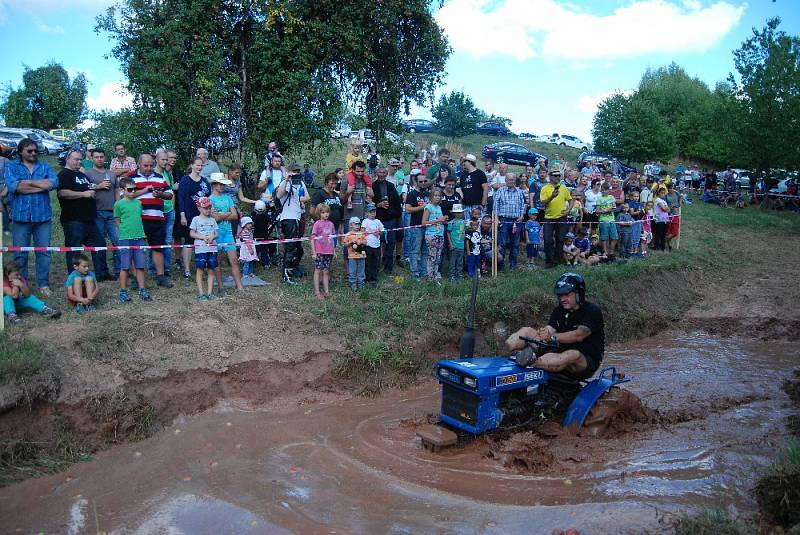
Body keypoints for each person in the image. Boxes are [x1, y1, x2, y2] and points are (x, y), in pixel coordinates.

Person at [506, 273, 605, 380]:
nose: (562, 299)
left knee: (573, 354)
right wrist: (544, 332)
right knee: (526, 331)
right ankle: (505, 350)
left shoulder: (592, 311)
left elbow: (579, 335)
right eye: (560, 295)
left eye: (567, 295)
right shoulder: (559, 310)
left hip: (585, 360)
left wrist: (552, 337)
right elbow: (551, 327)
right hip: (559, 350)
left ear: (578, 294)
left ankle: (531, 361)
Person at [4, 138, 58, 296]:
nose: (33, 153)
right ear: (21, 151)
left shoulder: (45, 166)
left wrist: (26, 183)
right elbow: (14, 187)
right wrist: (40, 185)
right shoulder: (12, 166)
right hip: (20, 217)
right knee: (20, 253)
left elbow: (53, 183)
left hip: (42, 217)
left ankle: (43, 284)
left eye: (35, 150)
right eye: (29, 151)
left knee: (44, 251)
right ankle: (21, 284)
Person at [57, 149, 105, 275]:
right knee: (74, 249)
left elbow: (89, 189)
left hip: (90, 219)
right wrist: (83, 194)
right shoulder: (64, 174)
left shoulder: (82, 175)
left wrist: (92, 191)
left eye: (80, 159)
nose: (79, 162)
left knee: (99, 245)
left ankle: (102, 273)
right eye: (76, 159)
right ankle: (74, 275)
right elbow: (62, 193)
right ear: (67, 159)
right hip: (73, 220)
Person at [131, 153, 174, 288]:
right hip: (137, 219)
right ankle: (136, 278)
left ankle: (160, 276)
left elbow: (170, 194)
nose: (149, 168)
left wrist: (161, 194)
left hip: (156, 217)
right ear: (138, 164)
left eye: (151, 165)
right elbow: (125, 195)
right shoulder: (131, 178)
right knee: (137, 248)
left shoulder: (160, 178)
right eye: (145, 165)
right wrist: (144, 190)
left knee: (157, 247)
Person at [114, 177, 151, 302]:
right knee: (125, 266)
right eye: (130, 189)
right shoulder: (118, 204)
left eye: (134, 189)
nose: (133, 191)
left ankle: (142, 289)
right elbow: (117, 220)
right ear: (122, 190)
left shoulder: (138, 203)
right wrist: (124, 231)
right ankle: (123, 291)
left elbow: (139, 217)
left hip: (139, 237)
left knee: (140, 265)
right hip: (125, 238)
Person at [86, 148, 120, 281]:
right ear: (92, 158)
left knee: (118, 241)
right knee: (99, 244)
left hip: (112, 213)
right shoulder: (88, 174)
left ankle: (120, 270)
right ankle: (101, 273)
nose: (99, 159)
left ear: (105, 158)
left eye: (101, 157)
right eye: (96, 157)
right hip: (97, 213)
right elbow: (85, 189)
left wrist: (118, 206)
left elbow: (117, 189)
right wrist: (98, 186)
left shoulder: (111, 174)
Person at [208, 172, 245, 292]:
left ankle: (239, 286)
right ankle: (220, 287)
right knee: (217, 261)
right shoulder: (210, 200)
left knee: (234, 260)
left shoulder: (228, 198)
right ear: (214, 185)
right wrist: (228, 213)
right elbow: (215, 218)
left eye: (223, 184)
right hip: (216, 233)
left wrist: (222, 215)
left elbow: (235, 216)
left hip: (228, 232)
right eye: (220, 184)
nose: (223, 186)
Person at [275, 163, 310, 284]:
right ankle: (285, 276)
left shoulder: (299, 182)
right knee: (290, 248)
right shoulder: (285, 183)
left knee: (298, 248)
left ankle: (292, 269)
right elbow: (279, 195)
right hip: (288, 218)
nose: (296, 173)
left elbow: (307, 197)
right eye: (294, 171)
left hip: (298, 217)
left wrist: (298, 199)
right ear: (289, 171)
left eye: (298, 171)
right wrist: (286, 179)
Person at [178, 157, 211, 279]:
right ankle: (187, 269)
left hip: (203, 215)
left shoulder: (205, 181)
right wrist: (182, 215)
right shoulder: (185, 180)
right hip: (189, 214)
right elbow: (181, 198)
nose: (199, 167)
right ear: (192, 165)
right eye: (197, 165)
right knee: (188, 241)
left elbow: (209, 198)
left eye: (201, 165)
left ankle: (205, 266)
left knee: (204, 240)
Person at [3, 260, 61, 324]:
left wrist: (21, 285)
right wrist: (15, 285)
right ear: (7, 273)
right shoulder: (4, 281)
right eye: (16, 274)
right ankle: (12, 316)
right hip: (4, 306)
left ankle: (46, 309)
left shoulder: (19, 279)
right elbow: (14, 296)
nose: (19, 276)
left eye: (20, 274)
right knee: (7, 298)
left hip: (16, 304)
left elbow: (28, 295)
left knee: (30, 298)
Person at [151, 149, 177, 277]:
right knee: (155, 240)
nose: (165, 161)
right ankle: (153, 269)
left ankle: (165, 269)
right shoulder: (152, 174)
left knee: (167, 241)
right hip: (156, 212)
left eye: (166, 159)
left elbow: (171, 192)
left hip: (169, 211)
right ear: (156, 159)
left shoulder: (168, 174)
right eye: (163, 159)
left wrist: (172, 208)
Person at [492, 172, 526, 270]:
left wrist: (522, 216)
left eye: (512, 180)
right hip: (503, 220)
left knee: (515, 244)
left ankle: (513, 265)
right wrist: (497, 219)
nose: (511, 181)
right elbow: (496, 206)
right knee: (502, 243)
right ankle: (501, 265)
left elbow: (522, 205)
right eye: (509, 179)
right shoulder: (500, 191)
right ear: (505, 180)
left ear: (515, 180)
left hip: (516, 221)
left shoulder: (520, 192)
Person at [371, 165, 402, 274]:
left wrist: (395, 215)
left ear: (386, 173)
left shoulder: (390, 186)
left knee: (390, 243)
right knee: (376, 243)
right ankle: (375, 267)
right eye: (380, 172)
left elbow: (397, 202)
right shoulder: (372, 186)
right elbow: (369, 202)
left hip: (390, 219)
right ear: (376, 173)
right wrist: (377, 205)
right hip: (377, 219)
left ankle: (388, 267)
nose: (382, 175)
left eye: (384, 172)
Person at [540, 166, 572, 268]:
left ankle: (557, 261)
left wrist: (568, 211)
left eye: (559, 175)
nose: (558, 177)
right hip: (549, 217)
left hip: (561, 217)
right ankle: (550, 261)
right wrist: (552, 196)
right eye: (555, 175)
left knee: (560, 239)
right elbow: (543, 202)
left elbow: (571, 200)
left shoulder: (563, 187)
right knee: (548, 239)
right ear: (550, 177)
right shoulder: (545, 188)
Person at [189, 196, 218, 300]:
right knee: (200, 270)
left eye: (209, 208)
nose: (208, 210)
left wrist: (212, 237)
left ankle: (210, 293)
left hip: (212, 249)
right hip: (200, 249)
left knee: (211, 270)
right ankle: (201, 294)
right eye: (205, 208)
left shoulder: (213, 220)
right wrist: (202, 237)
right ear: (199, 208)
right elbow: (191, 233)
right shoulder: (195, 219)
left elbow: (216, 233)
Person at [405, 170, 432, 280]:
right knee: (415, 250)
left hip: (428, 226)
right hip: (416, 226)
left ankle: (423, 272)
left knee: (426, 251)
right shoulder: (412, 194)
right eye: (420, 181)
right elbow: (407, 209)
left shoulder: (428, 194)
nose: (423, 183)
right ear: (415, 182)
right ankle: (414, 273)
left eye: (425, 181)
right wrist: (422, 207)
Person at [311, 203, 336, 300]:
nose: (326, 214)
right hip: (319, 251)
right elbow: (312, 238)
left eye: (327, 212)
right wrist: (314, 252)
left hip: (328, 251)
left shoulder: (331, 224)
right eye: (323, 212)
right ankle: (317, 292)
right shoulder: (317, 224)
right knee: (318, 270)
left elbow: (333, 238)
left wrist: (334, 251)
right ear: (319, 213)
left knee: (326, 271)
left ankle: (326, 291)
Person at [422, 188, 446, 284]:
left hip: (440, 234)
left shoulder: (439, 208)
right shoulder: (429, 207)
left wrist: (443, 220)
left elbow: (440, 220)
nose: (437, 197)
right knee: (432, 257)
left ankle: (435, 276)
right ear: (431, 197)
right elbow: (424, 222)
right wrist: (439, 220)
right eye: (435, 195)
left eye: (439, 195)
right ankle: (430, 277)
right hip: (432, 235)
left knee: (438, 257)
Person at [362, 203, 385, 287]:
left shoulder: (378, 221)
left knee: (376, 262)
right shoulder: (365, 221)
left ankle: (374, 278)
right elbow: (362, 232)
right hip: (368, 245)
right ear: (367, 213)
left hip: (377, 245)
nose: (372, 213)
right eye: (370, 212)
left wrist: (379, 232)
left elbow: (383, 231)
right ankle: (367, 278)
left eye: (374, 212)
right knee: (368, 262)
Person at [342, 216, 366, 291]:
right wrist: (351, 242)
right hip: (352, 256)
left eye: (359, 224)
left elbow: (366, 242)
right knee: (352, 270)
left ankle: (361, 283)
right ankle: (353, 283)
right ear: (350, 225)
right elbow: (345, 244)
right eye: (355, 224)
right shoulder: (348, 234)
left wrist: (361, 242)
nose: (357, 226)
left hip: (361, 255)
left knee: (361, 270)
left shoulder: (362, 234)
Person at [596, 182, 618, 256]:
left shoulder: (611, 197)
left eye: (605, 190)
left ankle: (611, 251)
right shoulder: (599, 198)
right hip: (603, 220)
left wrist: (609, 209)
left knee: (614, 237)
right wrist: (604, 211)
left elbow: (614, 208)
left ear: (608, 190)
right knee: (604, 238)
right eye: (602, 190)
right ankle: (605, 251)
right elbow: (597, 210)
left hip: (612, 220)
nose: (604, 191)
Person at [447, 204, 465, 280]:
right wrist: (450, 244)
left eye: (460, 212)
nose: (458, 214)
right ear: (454, 213)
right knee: (452, 262)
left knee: (460, 262)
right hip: (454, 245)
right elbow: (448, 232)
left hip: (461, 245)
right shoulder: (451, 222)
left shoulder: (464, 222)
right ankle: (452, 276)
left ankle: (459, 275)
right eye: (457, 213)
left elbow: (466, 230)